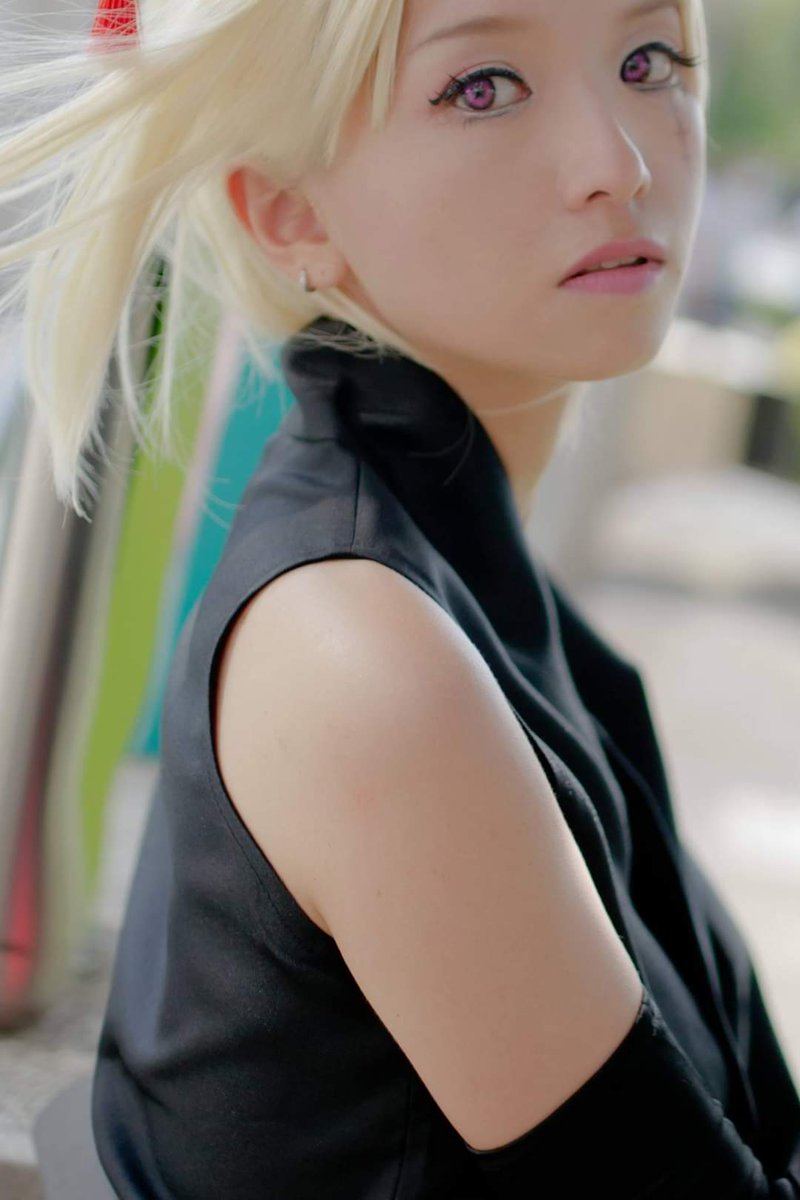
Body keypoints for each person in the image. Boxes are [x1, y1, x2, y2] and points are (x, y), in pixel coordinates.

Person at [1, 0, 799, 1195]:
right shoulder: (364, 653)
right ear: (290, 213)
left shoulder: (458, 574)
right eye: (481, 88)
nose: (619, 163)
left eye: (648, 60)